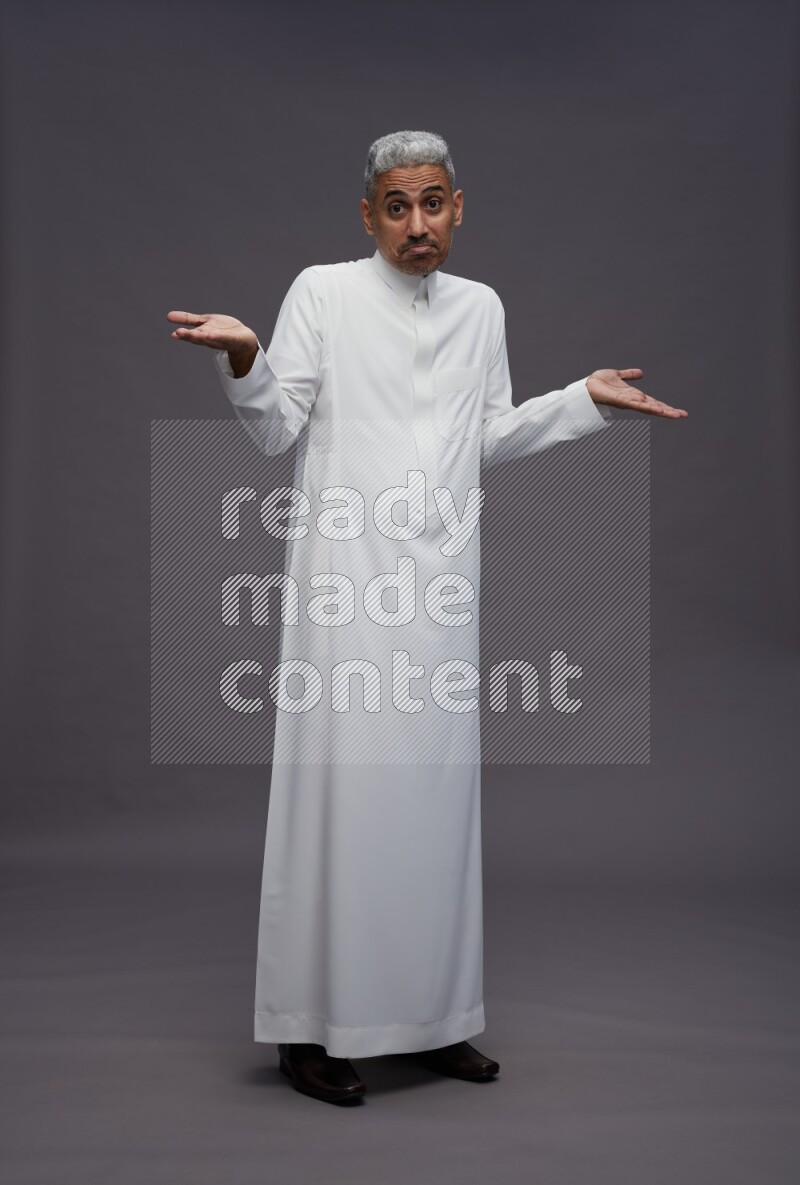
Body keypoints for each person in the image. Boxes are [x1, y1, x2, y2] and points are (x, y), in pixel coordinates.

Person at [167, 129, 687, 1106]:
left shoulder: (480, 309)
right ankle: (308, 1029)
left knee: (433, 812)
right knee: (339, 805)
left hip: (440, 594)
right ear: (368, 216)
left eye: (433, 202)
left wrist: (582, 401)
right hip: (343, 593)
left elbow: (482, 435)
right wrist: (244, 356)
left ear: (458, 208)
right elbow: (276, 427)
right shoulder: (323, 293)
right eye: (397, 206)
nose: (418, 223)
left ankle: (432, 1019)